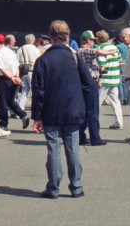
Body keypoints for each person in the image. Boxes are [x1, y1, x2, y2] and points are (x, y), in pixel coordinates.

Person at [32, 20, 95, 199]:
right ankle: (76, 186)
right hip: (73, 109)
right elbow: (89, 83)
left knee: (53, 148)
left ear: (50, 37)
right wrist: (83, 104)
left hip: (50, 110)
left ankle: (53, 187)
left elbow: (38, 91)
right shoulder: (75, 57)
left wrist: (37, 116)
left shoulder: (43, 60)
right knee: (72, 148)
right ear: (67, 37)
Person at [0, 34, 29, 132]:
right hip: (14, 78)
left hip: (3, 79)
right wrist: (17, 77)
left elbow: (1, 68)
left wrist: (11, 77)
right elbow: (17, 66)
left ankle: (4, 124)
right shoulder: (11, 52)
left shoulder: (0, 53)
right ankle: (22, 115)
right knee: (11, 101)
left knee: (2, 102)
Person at [95, 31, 123, 129]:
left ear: (99, 39)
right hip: (115, 78)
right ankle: (119, 122)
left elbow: (102, 66)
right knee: (116, 102)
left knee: (97, 102)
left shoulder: (101, 48)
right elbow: (120, 60)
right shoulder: (115, 48)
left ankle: (95, 123)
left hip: (105, 79)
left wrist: (99, 78)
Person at [16, 34, 41, 110]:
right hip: (32, 71)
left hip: (23, 71)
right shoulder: (35, 49)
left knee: (24, 90)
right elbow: (38, 61)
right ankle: (37, 107)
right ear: (33, 40)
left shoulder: (20, 49)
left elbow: (17, 61)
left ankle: (20, 109)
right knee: (35, 90)